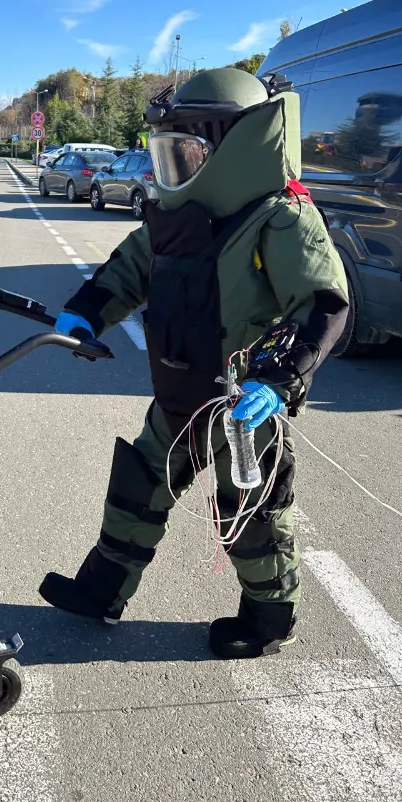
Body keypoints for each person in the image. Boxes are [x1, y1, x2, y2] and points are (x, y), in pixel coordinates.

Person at [39, 68, 349, 659]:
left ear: (233, 147)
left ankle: (269, 618)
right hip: (179, 393)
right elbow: (128, 268)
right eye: (169, 151)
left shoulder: (279, 216)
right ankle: (102, 589)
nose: (174, 166)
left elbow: (324, 304)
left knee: (252, 514)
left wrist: (279, 382)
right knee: (138, 487)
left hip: (242, 406)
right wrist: (86, 312)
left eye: (187, 151)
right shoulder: (176, 215)